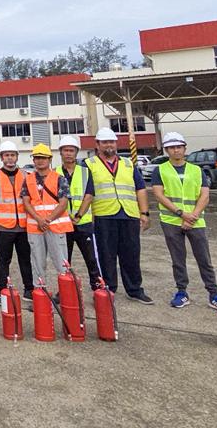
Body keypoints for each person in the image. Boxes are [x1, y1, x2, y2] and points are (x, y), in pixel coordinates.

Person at [151, 132, 217, 313]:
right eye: (172, 147)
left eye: (179, 146)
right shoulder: (161, 170)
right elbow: (158, 194)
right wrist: (181, 214)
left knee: (204, 259)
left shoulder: (197, 170)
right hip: (171, 220)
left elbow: (204, 195)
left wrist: (192, 216)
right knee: (178, 259)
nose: (176, 150)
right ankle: (182, 292)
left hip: (195, 221)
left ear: (185, 148)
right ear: (167, 150)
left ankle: (214, 294)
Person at [73, 127, 154, 304]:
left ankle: (134, 289)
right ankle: (107, 289)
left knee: (131, 254)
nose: (109, 145)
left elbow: (140, 188)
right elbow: (87, 192)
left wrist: (144, 212)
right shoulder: (88, 165)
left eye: (112, 141)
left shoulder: (128, 164)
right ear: (97, 145)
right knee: (105, 255)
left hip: (129, 214)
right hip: (103, 215)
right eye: (105, 142)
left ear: (116, 143)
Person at [0, 141, 34, 300]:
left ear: (17, 157)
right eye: (6, 155)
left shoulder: (26, 176)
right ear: (1, 157)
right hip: (4, 228)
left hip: (23, 227)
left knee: (25, 259)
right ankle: (2, 291)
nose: (10, 158)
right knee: (3, 260)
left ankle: (29, 289)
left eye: (12, 155)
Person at [21, 143, 72, 288]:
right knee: (37, 263)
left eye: (43, 158)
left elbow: (63, 203)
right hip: (35, 228)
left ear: (50, 159)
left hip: (55, 227)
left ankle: (66, 295)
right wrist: (39, 219)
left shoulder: (59, 178)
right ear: (33, 160)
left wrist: (47, 219)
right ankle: (40, 295)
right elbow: (26, 202)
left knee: (62, 263)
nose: (40, 160)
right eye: (37, 157)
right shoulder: (28, 179)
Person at [57, 135, 99, 286]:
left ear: (76, 153)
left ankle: (97, 288)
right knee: (63, 260)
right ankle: (64, 290)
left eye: (71, 150)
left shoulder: (85, 172)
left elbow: (89, 195)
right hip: (62, 223)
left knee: (91, 259)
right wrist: (65, 215)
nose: (68, 153)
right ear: (60, 153)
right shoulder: (54, 173)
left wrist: (79, 215)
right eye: (65, 150)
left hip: (83, 223)